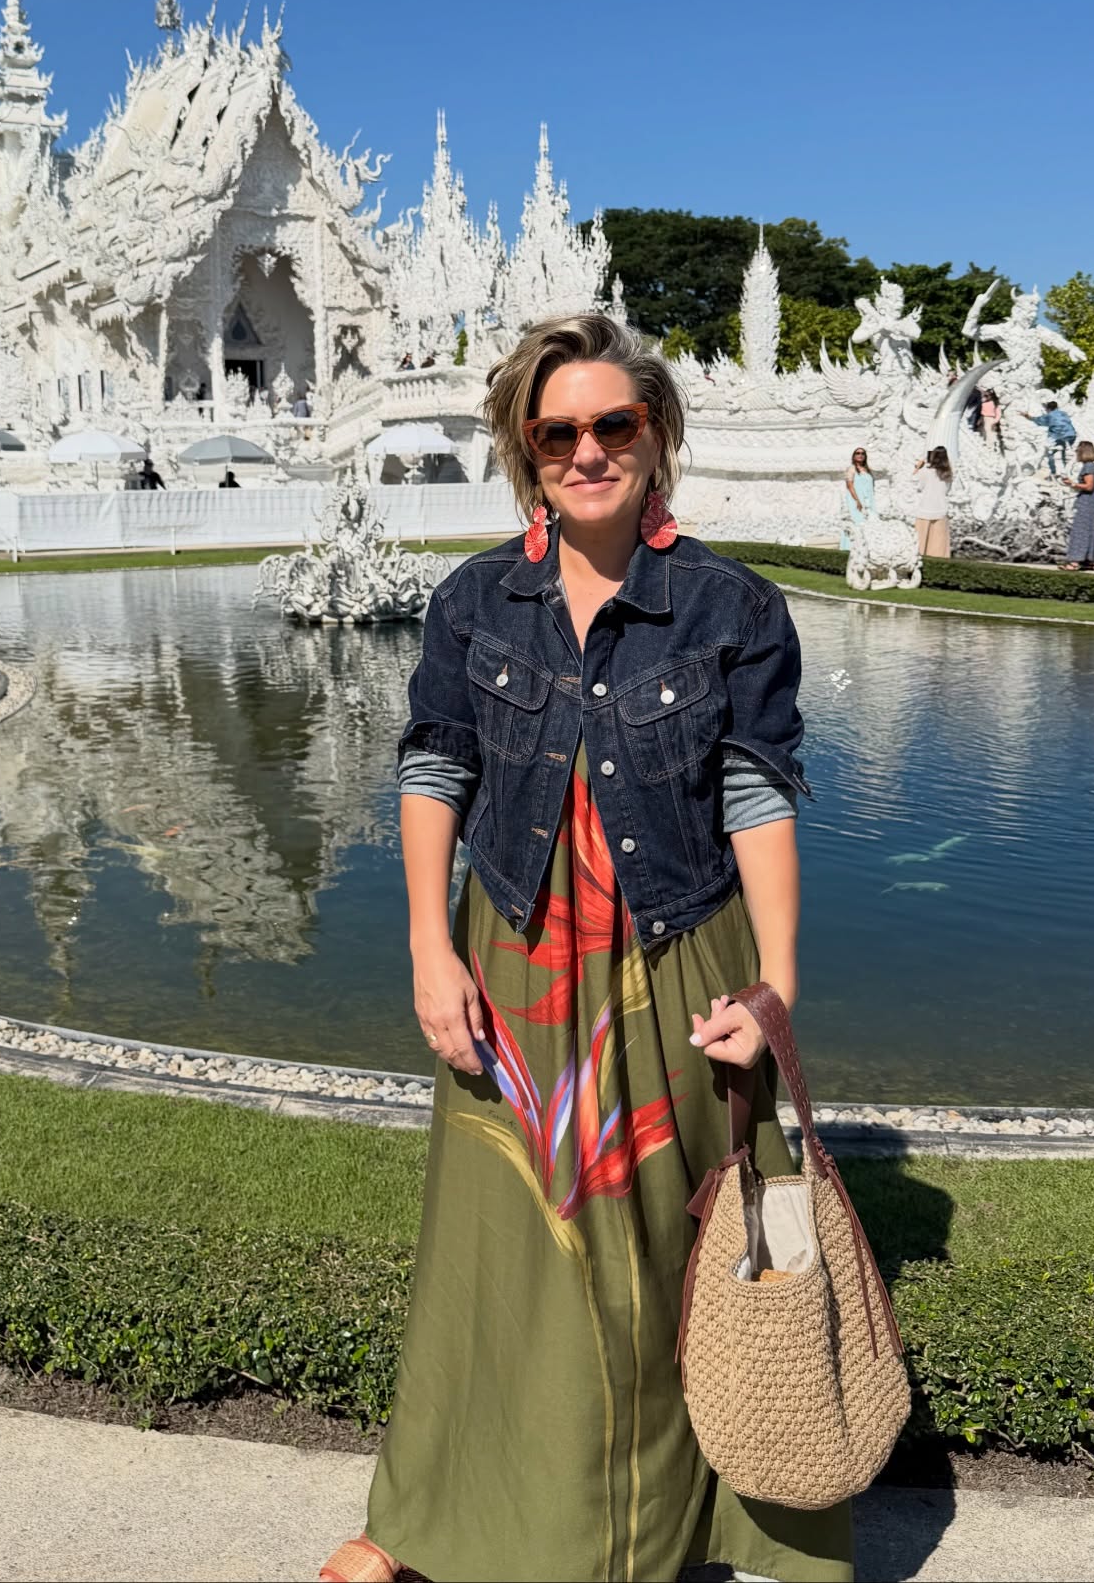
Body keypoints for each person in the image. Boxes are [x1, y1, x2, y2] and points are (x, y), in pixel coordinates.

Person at [321, 313, 853, 1583]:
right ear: (524, 450)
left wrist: (775, 988)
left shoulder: (730, 604)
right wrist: (424, 947)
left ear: (656, 435)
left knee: (678, 1243)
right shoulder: (475, 596)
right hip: (513, 947)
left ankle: (690, 1531)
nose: (587, 449)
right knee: (500, 1250)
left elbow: (758, 795)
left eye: (614, 423)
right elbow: (435, 766)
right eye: (556, 431)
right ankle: (435, 1521)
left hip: (678, 952)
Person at [1060, 441, 1094, 570]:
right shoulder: (1091, 466)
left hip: (1088, 502)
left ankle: (1075, 561)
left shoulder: (1088, 467)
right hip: (1092, 501)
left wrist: (1073, 484)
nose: (1076, 453)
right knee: (1092, 529)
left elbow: (1089, 486)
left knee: (1081, 530)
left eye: (1077, 451)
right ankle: (1090, 560)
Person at [911, 445, 953, 558]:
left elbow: (916, 484)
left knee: (920, 545)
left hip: (925, 509)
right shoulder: (948, 474)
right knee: (938, 547)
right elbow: (948, 490)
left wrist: (917, 468)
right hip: (940, 509)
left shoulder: (925, 472)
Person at [1019, 400, 1077, 472]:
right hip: (1071, 435)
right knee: (1063, 451)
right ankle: (1064, 465)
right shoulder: (1064, 413)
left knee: (1046, 450)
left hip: (1058, 436)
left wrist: (1027, 416)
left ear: (1048, 409)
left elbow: (1038, 420)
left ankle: (1052, 471)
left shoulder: (1049, 415)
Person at [839, 445, 876, 550]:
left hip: (869, 501)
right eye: (858, 453)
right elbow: (849, 486)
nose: (860, 455)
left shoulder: (868, 470)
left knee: (870, 523)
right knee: (857, 524)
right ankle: (850, 548)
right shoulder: (851, 469)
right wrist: (857, 500)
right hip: (855, 500)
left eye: (862, 453)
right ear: (854, 456)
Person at [979, 387, 1004, 452]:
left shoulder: (995, 403)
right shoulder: (985, 401)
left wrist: (995, 421)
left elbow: (998, 414)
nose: (986, 396)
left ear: (992, 395)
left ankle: (991, 446)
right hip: (985, 417)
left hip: (991, 418)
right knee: (986, 431)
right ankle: (988, 443)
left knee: (990, 432)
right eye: (986, 395)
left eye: (988, 395)